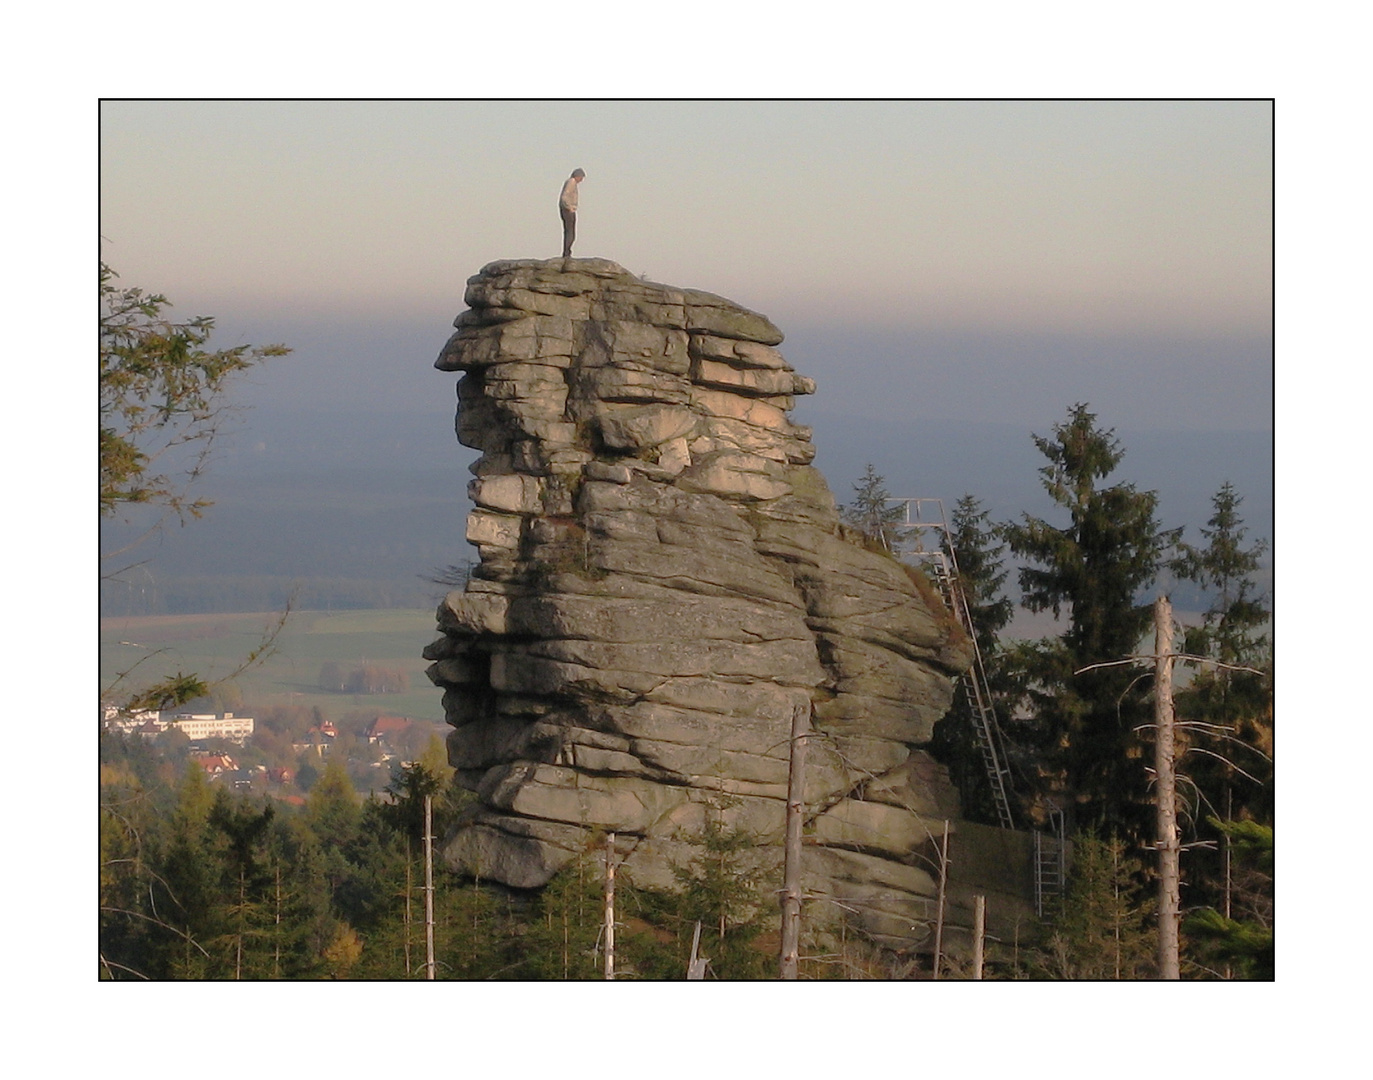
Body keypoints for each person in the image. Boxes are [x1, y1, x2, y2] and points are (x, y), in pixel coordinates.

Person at [559, 168, 585, 258]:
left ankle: (567, 252)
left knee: (569, 232)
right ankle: (567, 253)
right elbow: (565, 196)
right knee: (570, 232)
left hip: (567, 209)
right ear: (577, 176)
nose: (581, 180)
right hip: (568, 210)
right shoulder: (571, 182)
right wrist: (569, 207)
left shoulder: (571, 182)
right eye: (581, 177)